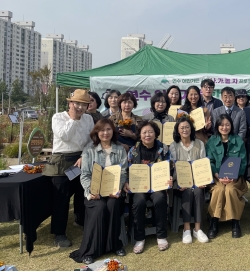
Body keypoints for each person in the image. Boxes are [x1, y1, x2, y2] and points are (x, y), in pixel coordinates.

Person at [69, 119, 128, 264]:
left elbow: (123, 173)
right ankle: (90, 250)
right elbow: (85, 175)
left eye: (108, 129)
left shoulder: (120, 149)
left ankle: (114, 244)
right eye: (102, 130)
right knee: (100, 207)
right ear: (97, 132)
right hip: (94, 193)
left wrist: (117, 189)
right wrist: (91, 191)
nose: (105, 133)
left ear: (113, 131)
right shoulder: (89, 151)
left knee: (113, 205)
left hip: (113, 192)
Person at [43, 89, 93, 247]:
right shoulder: (58, 117)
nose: (79, 107)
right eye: (76, 103)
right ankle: (59, 233)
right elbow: (64, 136)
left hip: (81, 159)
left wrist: (85, 155)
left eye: (83, 105)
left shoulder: (89, 118)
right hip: (62, 160)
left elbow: (92, 140)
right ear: (70, 103)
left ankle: (80, 221)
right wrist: (73, 119)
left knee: (82, 193)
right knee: (61, 199)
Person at [125, 121, 172, 253]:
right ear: (139, 135)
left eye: (150, 132)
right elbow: (128, 170)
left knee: (159, 199)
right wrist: (127, 182)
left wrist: (170, 178)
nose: (147, 135)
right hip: (139, 187)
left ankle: (161, 235)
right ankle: (140, 238)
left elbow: (170, 167)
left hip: (158, 185)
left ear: (155, 134)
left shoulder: (163, 148)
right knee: (138, 202)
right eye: (144, 132)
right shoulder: (133, 151)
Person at [206, 114, 248, 239]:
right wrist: (217, 175)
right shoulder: (211, 141)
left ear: (231, 126)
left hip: (235, 178)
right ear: (217, 126)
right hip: (217, 177)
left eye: (227, 125)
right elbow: (210, 161)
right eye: (221, 125)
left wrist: (234, 176)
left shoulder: (238, 141)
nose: (224, 127)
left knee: (230, 189)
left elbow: (243, 161)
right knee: (219, 189)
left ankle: (235, 222)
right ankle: (214, 221)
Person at [169, 116, 209, 244]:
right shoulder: (173, 146)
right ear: (178, 130)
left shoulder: (199, 144)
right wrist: (179, 181)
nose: (185, 130)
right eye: (182, 128)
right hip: (181, 181)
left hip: (198, 181)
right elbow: (174, 168)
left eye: (187, 127)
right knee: (186, 191)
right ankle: (186, 229)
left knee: (197, 192)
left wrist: (202, 180)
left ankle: (197, 229)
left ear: (191, 129)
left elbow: (203, 164)